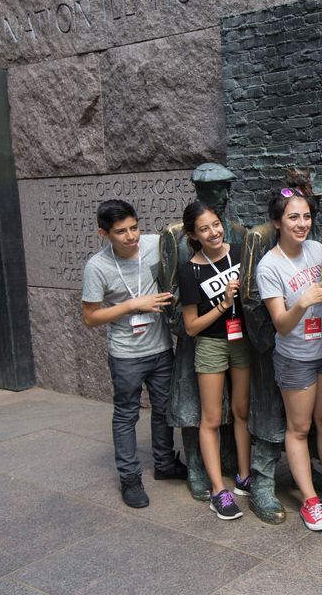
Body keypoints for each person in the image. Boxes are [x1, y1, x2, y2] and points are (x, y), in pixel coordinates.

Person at [82, 199, 186, 509]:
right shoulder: (97, 266)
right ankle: (130, 479)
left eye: (134, 227)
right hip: (126, 354)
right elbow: (89, 317)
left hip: (161, 348)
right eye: (121, 232)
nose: (131, 237)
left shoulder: (156, 244)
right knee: (126, 414)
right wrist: (131, 305)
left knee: (164, 408)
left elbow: (186, 232)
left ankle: (165, 463)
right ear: (104, 233)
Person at [240, 169, 322, 524]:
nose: (302, 223)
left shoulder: (319, 250)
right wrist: (304, 301)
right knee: (299, 427)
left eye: (306, 216)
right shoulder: (269, 265)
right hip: (296, 357)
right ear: (277, 222)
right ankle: (309, 500)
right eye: (293, 217)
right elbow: (280, 323)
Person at [159, 163, 246, 501]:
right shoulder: (174, 237)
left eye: (227, 188)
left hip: (235, 337)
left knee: (235, 405)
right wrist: (192, 322)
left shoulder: (238, 232)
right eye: (215, 189)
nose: (223, 195)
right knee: (195, 405)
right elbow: (170, 292)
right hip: (195, 333)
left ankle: (232, 464)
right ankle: (198, 468)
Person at [178, 200, 252, 521]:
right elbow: (191, 327)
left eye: (216, 224)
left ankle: (244, 476)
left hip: (242, 341)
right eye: (204, 228)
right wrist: (223, 305)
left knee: (241, 411)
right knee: (211, 418)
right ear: (193, 235)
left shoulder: (241, 253)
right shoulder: (190, 269)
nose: (213, 232)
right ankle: (217, 490)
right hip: (211, 344)